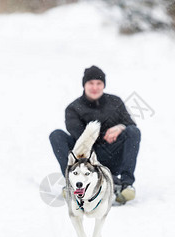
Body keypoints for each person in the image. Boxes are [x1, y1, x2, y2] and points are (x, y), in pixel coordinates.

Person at [49, 65, 141, 203]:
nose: (95, 87)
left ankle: (127, 185)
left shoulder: (115, 102)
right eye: (91, 83)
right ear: (84, 85)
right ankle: (72, 183)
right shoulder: (73, 108)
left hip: (112, 155)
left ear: (104, 85)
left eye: (99, 83)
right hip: (85, 159)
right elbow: (82, 140)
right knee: (56, 135)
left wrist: (120, 127)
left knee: (133, 132)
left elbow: (131, 124)